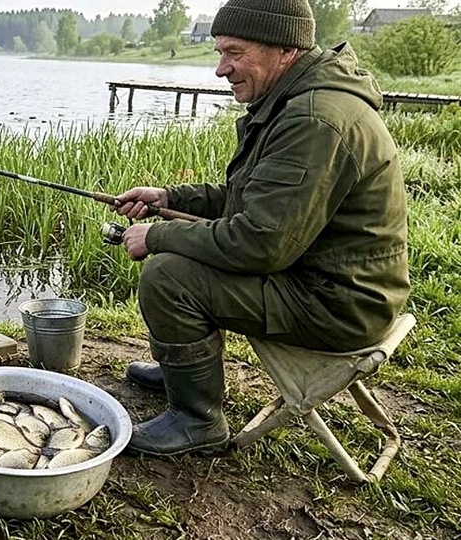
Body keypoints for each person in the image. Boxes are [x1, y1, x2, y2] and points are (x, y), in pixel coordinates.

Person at [112, 0, 409, 456]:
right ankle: (184, 373)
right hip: (324, 280)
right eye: (219, 52)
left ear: (284, 51)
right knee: (179, 263)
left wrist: (154, 236)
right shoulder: (296, 101)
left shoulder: (314, 118)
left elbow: (259, 243)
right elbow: (256, 200)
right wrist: (170, 199)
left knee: (169, 275)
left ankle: (197, 420)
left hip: (340, 304)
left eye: (234, 53)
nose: (220, 69)